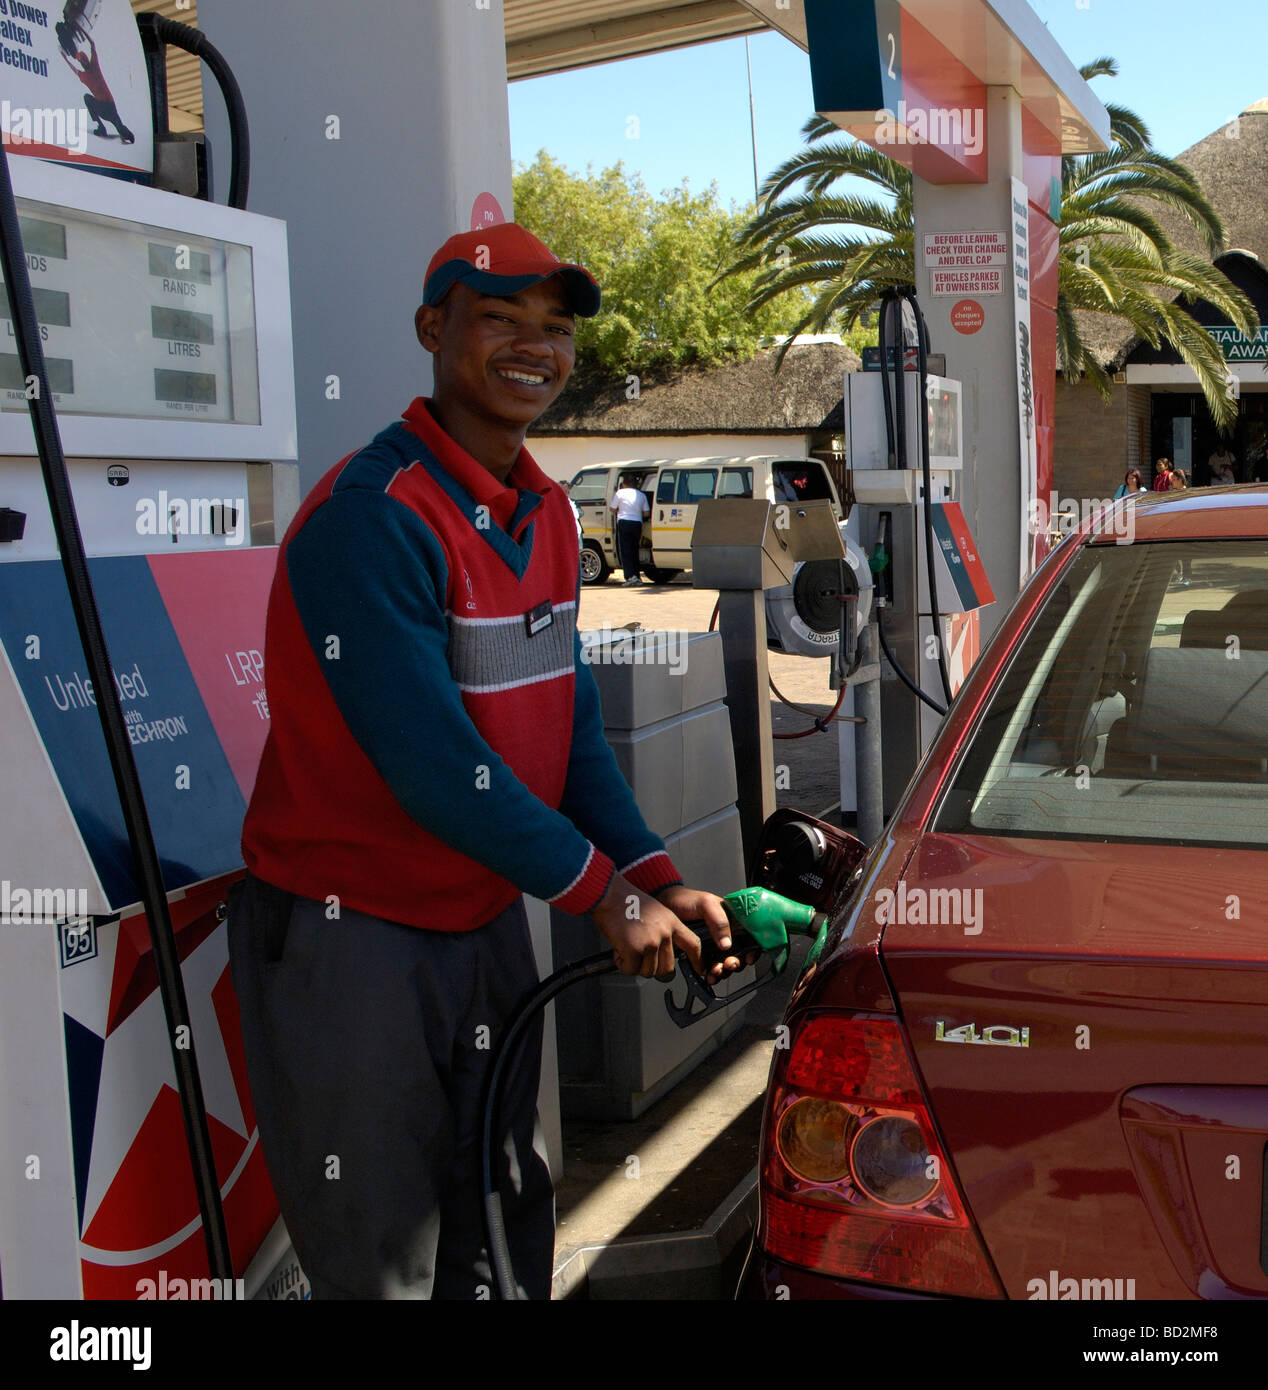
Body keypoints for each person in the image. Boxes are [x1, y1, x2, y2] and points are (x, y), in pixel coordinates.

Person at [227, 222, 743, 1300]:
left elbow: (567, 727)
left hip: (478, 920)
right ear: (432, 327)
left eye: (552, 328)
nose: (532, 346)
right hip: (351, 933)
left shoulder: (548, 511)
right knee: (388, 1252)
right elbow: (432, 763)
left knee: (506, 1207)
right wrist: (600, 894)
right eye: (497, 317)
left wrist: (652, 873)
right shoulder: (370, 518)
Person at [56, 22, 135, 145]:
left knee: (88, 98)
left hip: (104, 107)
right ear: (85, 61)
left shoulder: (87, 73)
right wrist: (79, 28)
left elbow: (75, 68)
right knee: (118, 124)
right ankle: (113, 130)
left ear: (83, 62)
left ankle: (102, 127)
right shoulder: (92, 67)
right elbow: (91, 44)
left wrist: (65, 58)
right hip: (108, 105)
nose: (84, 61)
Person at [609, 471, 650, 584]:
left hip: (624, 522)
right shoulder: (641, 495)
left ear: (624, 484)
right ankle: (637, 576)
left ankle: (629, 577)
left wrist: (620, 511)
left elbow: (612, 508)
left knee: (626, 551)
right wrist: (636, 513)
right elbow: (646, 513)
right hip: (637, 523)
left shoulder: (620, 493)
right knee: (634, 549)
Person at [559, 478, 582, 550]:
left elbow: (577, 515)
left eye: (564, 489)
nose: (563, 491)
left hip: (575, 532)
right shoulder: (557, 503)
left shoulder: (572, 502)